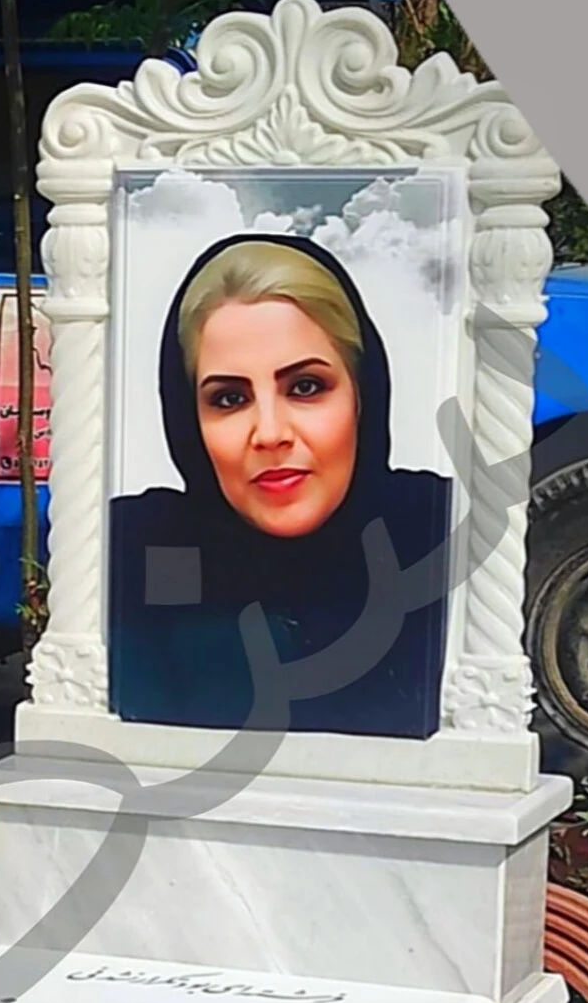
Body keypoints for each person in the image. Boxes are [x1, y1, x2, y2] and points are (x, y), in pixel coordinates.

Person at [108, 233, 452, 738]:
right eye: (229, 399)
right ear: (187, 418)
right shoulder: (133, 554)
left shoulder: (444, 535)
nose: (269, 434)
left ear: (362, 394)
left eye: (305, 387)